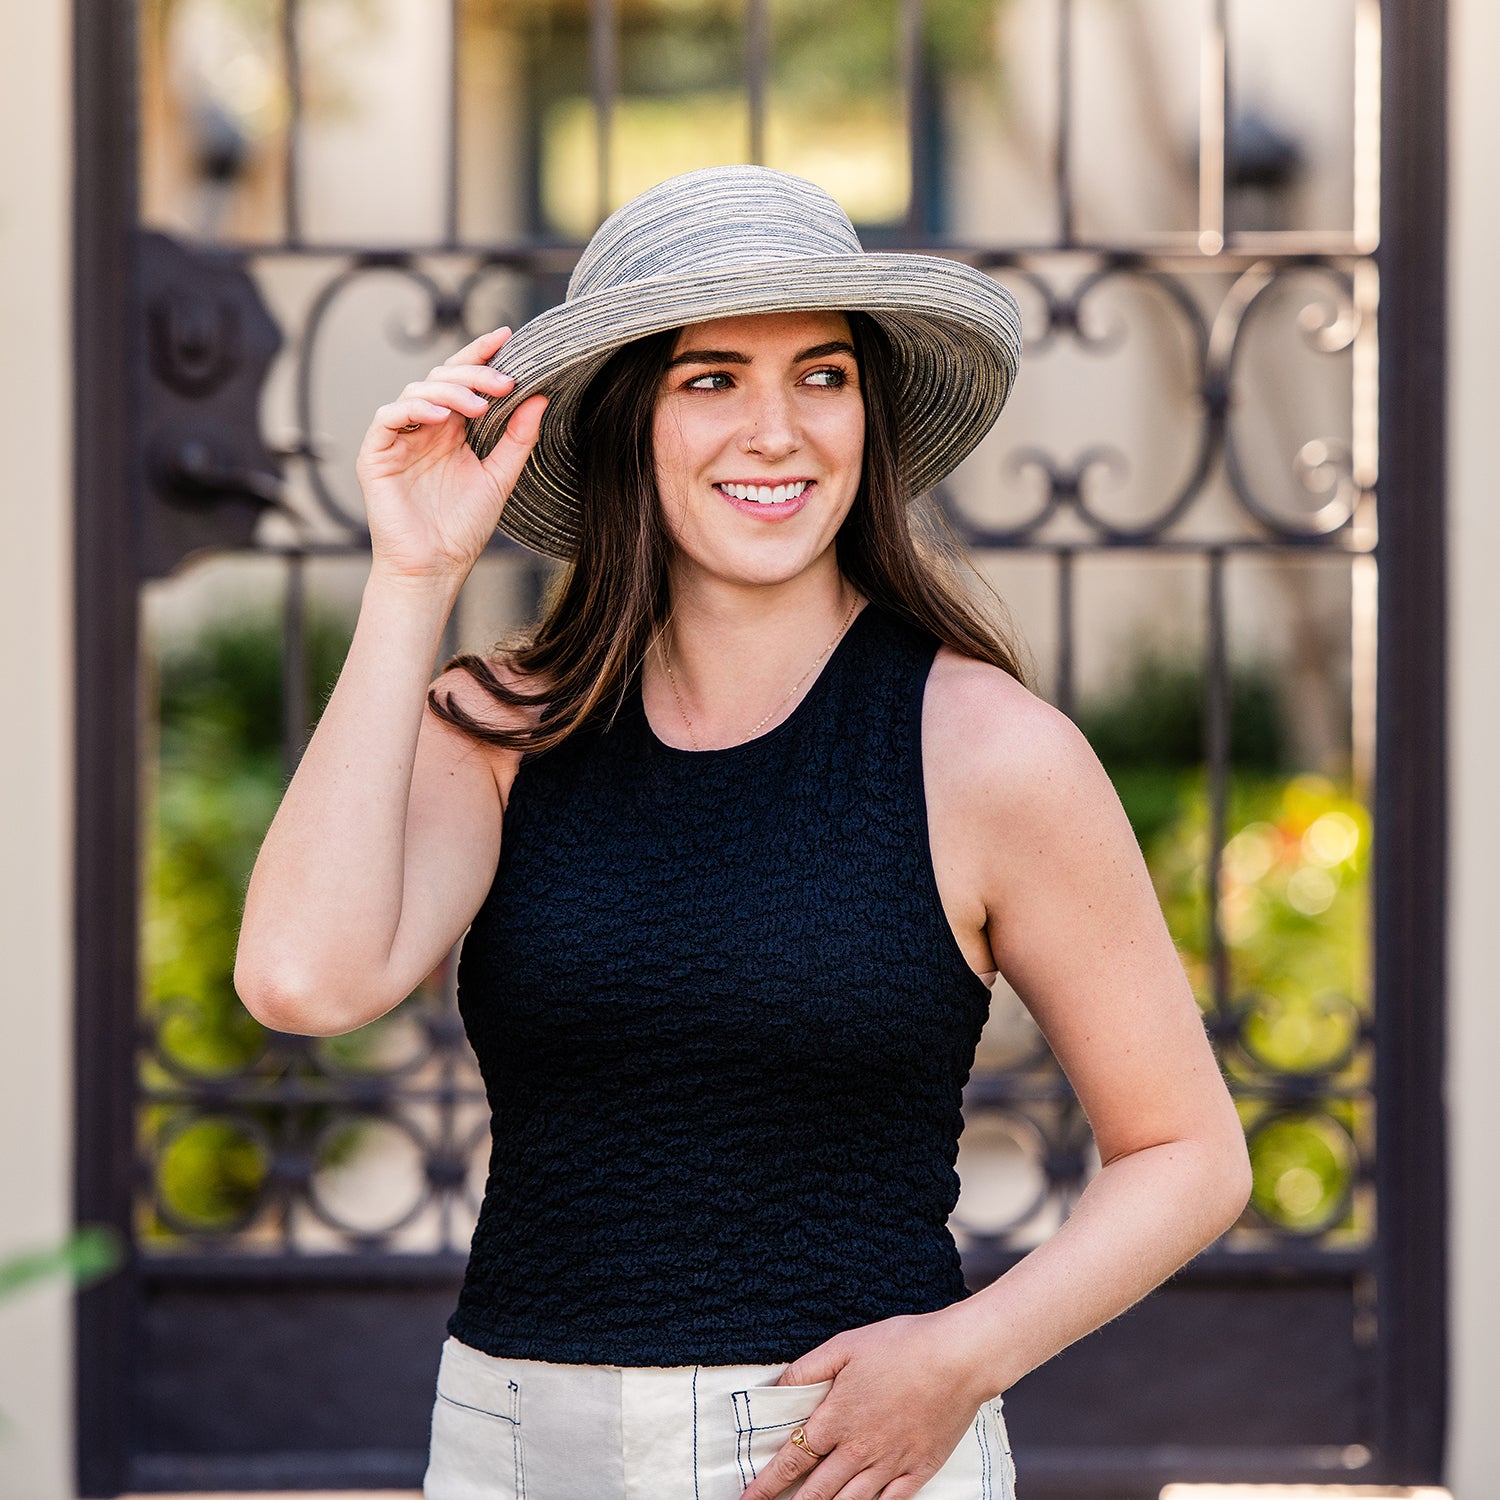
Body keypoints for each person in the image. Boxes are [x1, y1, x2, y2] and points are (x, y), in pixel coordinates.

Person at [235, 166, 1253, 1500]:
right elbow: (303, 980)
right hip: (515, 1445)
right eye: (710, 378)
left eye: (821, 377)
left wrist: (966, 1356)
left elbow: (1189, 1155)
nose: (775, 431)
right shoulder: (499, 731)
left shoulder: (990, 752)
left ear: (868, 417)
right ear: (626, 427)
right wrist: (410, 576)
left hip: (844, 1453)